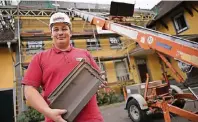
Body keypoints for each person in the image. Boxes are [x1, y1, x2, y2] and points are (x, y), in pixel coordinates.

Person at [22, 12, 105, 122]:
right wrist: (49, 112)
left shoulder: (85, 54)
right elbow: (29, 90)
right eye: (56, 29)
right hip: (57, 119)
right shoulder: (39, 58)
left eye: (64, 28)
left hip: (91, 118)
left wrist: (98, 84)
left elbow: (98, 78)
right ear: (51, 34)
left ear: (70, 32)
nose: (60, 32)